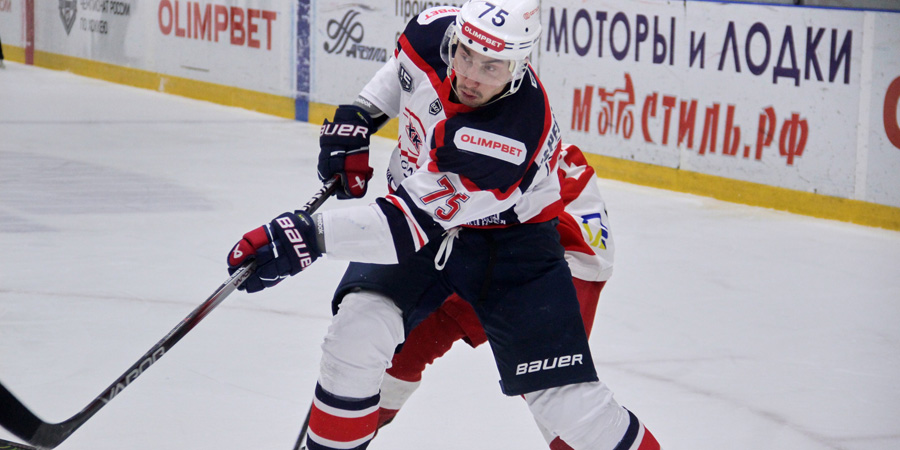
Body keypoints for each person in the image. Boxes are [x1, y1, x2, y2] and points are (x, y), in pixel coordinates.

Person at [226, 1, 660, 449]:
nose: (470, 76)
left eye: (491, 67)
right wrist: (362, 115)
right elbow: (403, 72)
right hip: (438, 224)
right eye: (465, 55)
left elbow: (403, 226)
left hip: (519, 247)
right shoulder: (435, 30)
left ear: (519, 66)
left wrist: (305, 237)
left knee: (567, 409)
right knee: (358, 336)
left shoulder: (504, 141)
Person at [375, 144, 618, 450]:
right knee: (400, 352)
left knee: (556, 397)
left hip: (561, 246)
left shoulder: (497, 141)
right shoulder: (427, 131)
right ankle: (343, 437)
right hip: (487, 239)